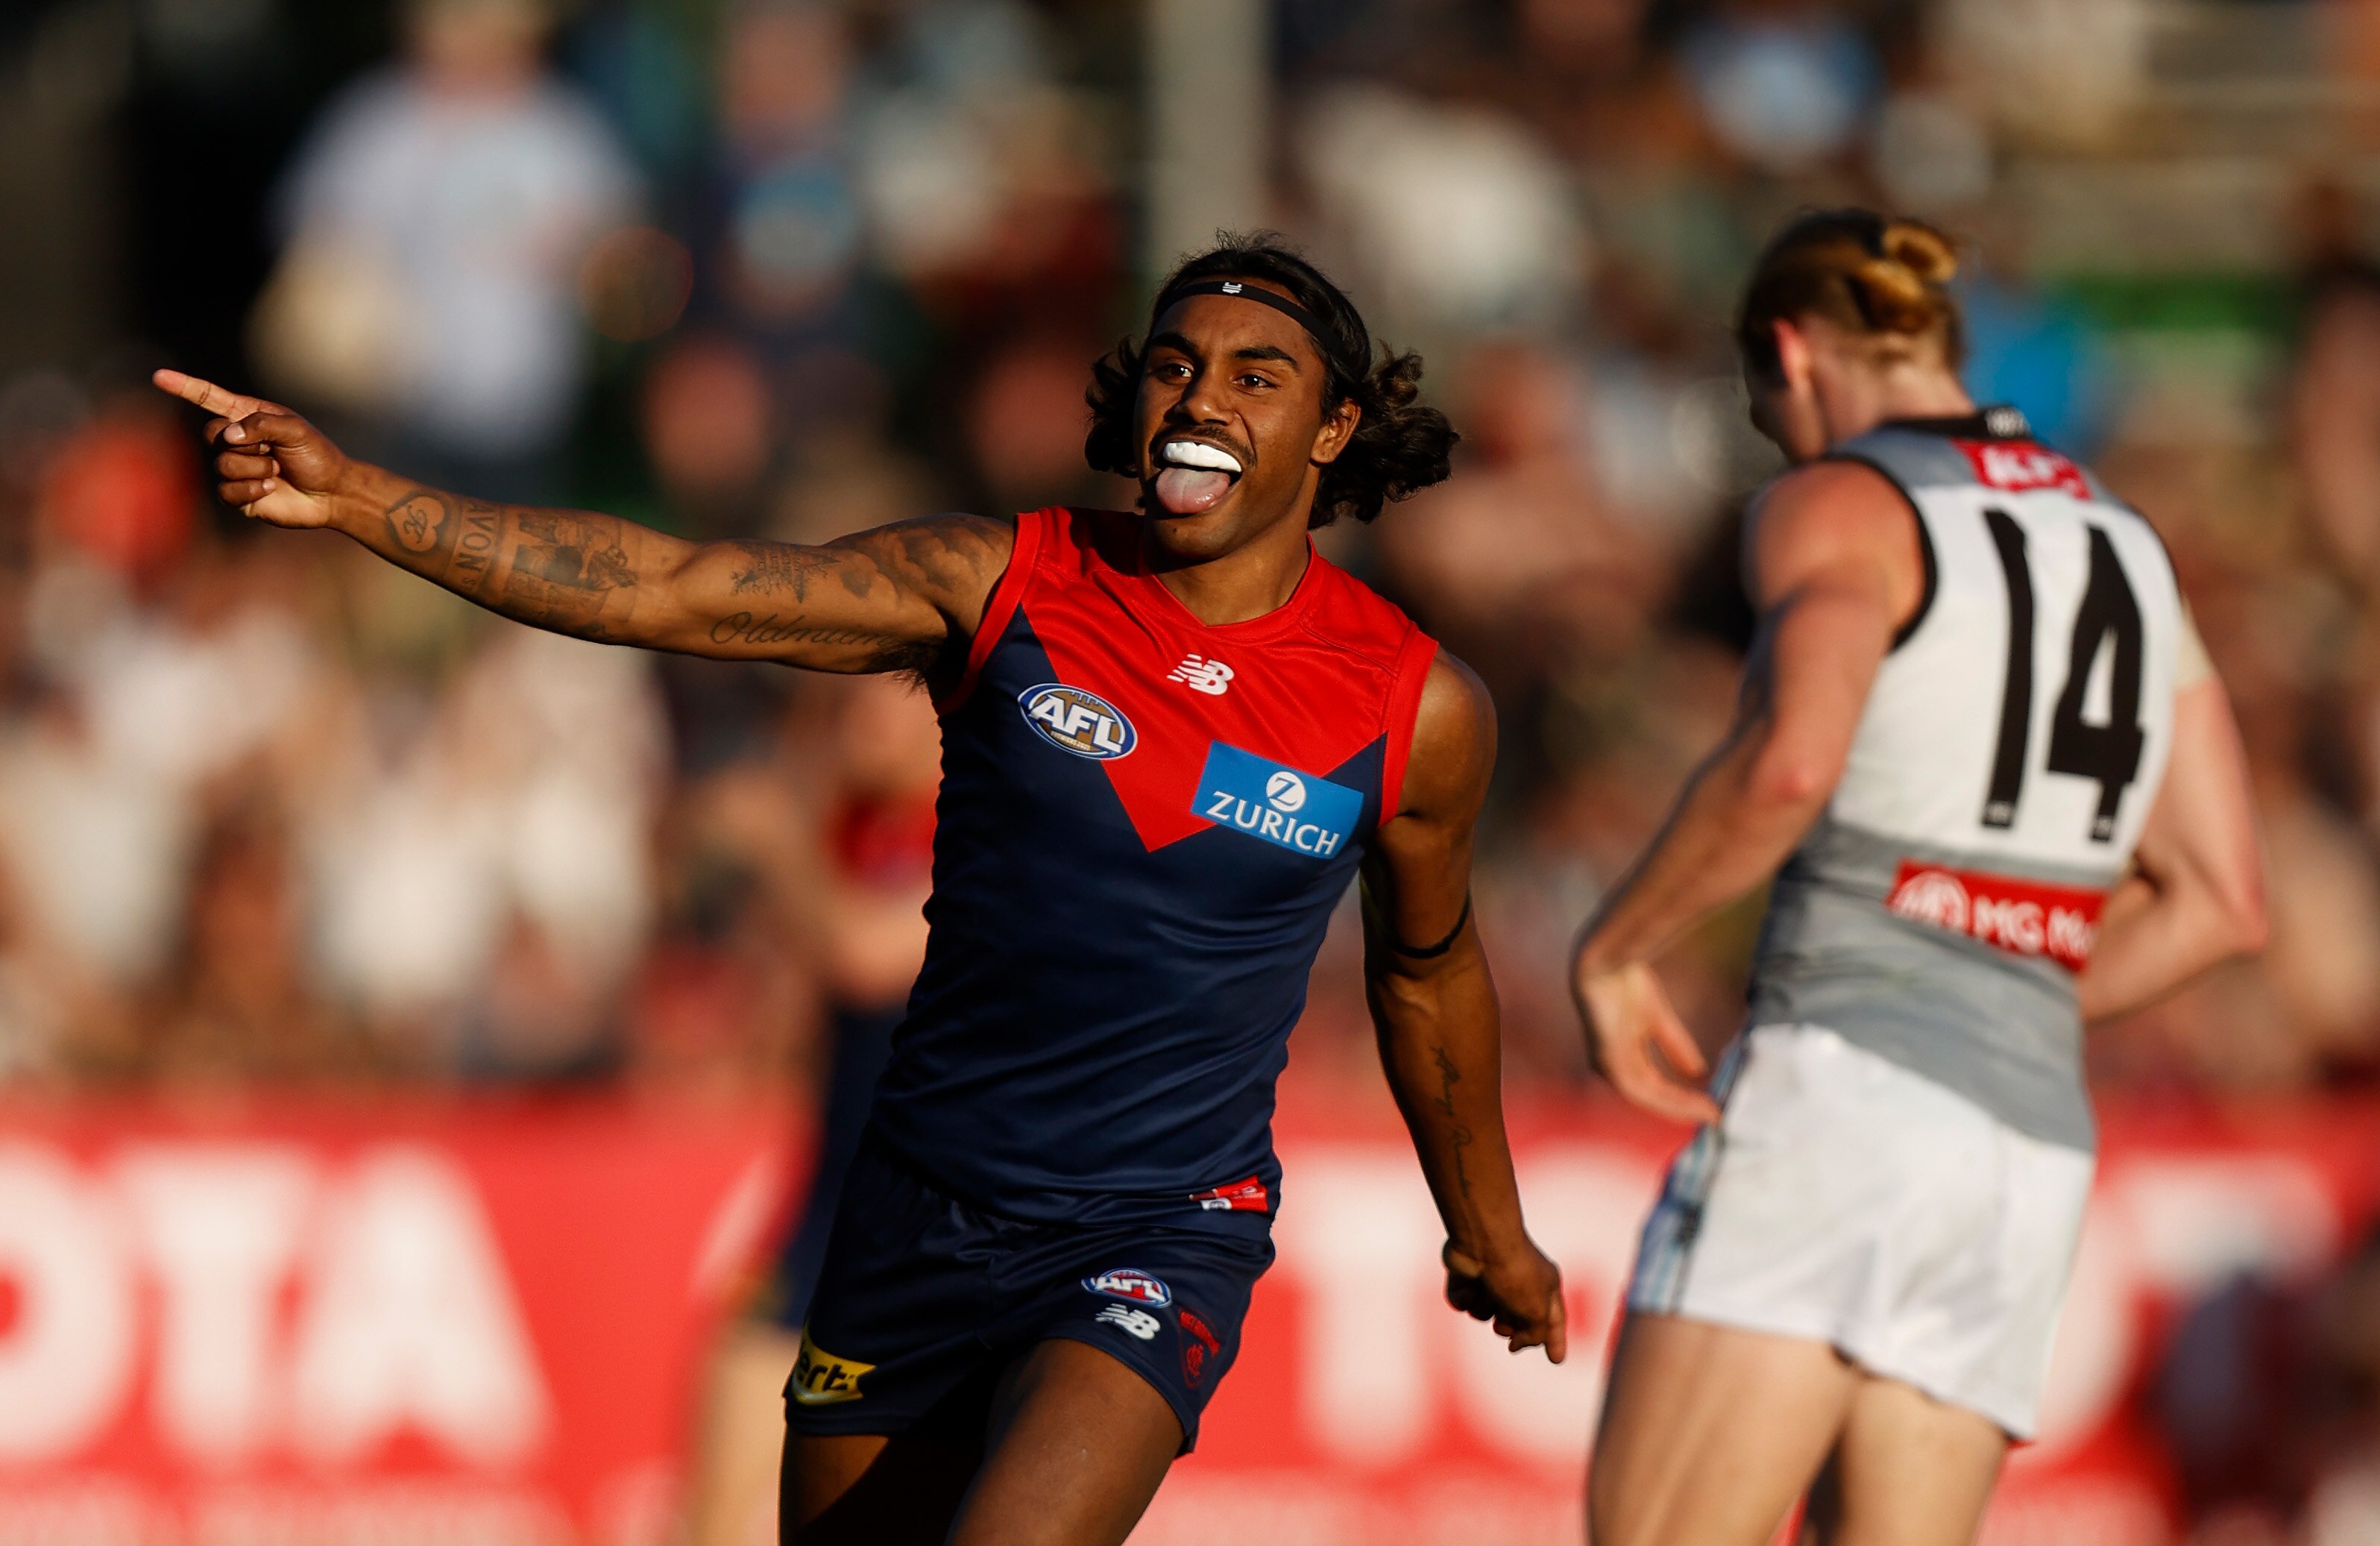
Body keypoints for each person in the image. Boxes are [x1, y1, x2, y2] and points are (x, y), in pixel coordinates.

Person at [156, 231, 1567, 1546]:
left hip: (1153, 1232)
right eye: (1175, 364)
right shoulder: (1001, 584)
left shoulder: (1414, 709)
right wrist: (356, 497)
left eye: (1257, 377)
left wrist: (1489, 1231)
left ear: (1332, 430)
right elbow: (670, 588)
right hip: (913, 1216)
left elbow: (1426, 969)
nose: (1201, 399)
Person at [1569, 210, 2267, 1546]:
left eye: (1768, 411)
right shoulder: (2124, 541)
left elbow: (1791, 763)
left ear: (1791, 353)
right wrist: (1995, 992)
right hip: (2021, 1149)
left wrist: (1617, 946)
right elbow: (2223, 898)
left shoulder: (1843, 500)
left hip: (1842, 1091)